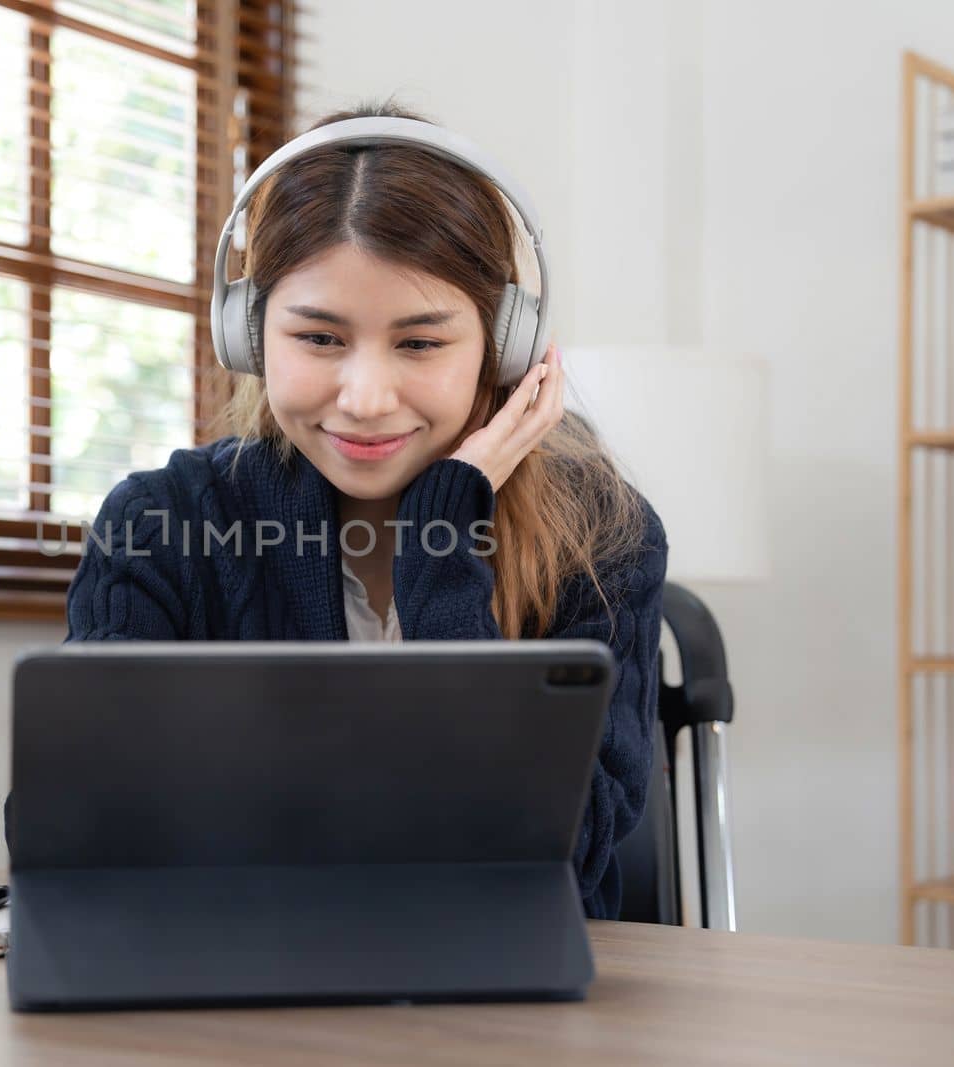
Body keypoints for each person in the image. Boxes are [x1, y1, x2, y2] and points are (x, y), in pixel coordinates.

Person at [53, 103, 668, 920]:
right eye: (319, 339)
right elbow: (70, 832)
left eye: (420, 343)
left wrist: (441, 545)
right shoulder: (160, 522)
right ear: (247, 334)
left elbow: (550, 852)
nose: (367, 399)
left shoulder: (602, 536)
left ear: (503, 347)